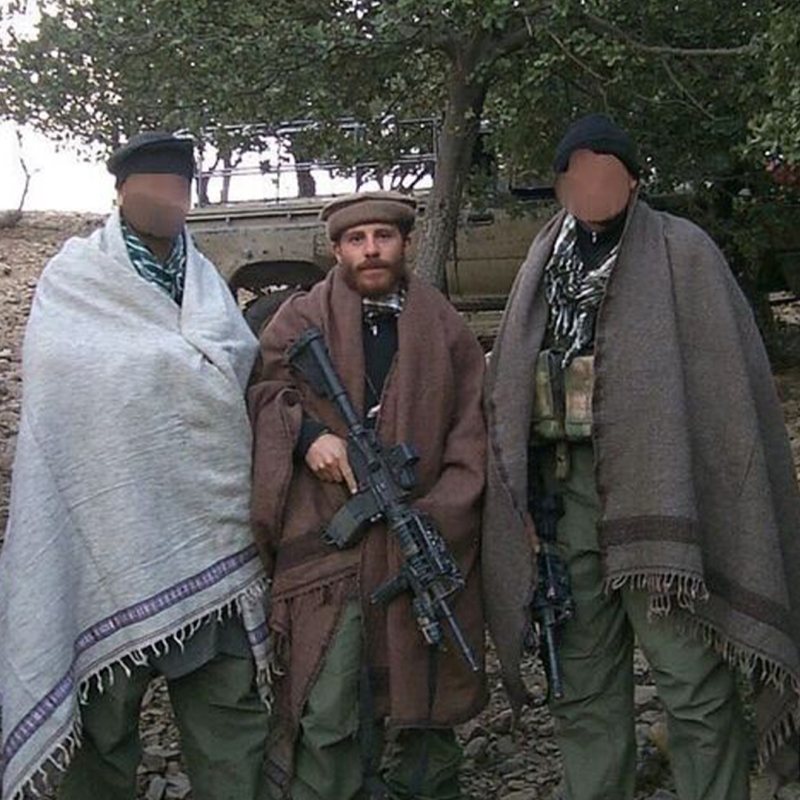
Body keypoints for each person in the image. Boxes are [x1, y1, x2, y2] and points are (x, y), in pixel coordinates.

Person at [482, 114, 800, 800]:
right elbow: (509, 378)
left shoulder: (684, 252)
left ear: (633, 179)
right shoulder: (544, 258)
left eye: (607, 172)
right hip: (562, 495)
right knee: (583, 687)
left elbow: (726, 396)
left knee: (692, 684)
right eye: (577, 174)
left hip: (663, 500)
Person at [0, 132, 272, 800]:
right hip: (107, 541)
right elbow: (64, 386)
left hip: (208, 537)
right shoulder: (76, 278)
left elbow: (232, 370)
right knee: (102, 731)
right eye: (152, 188)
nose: (167, 200)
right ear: (120, 193)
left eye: (179, 189)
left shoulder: (204, 282)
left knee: (230, 721)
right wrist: (173, 371)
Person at [249, 190, 487, 800]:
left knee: (426, 701)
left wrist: (437, 516)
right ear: (336, 251)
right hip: (330, 547)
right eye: (356, 240)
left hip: (421, 538)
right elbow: (264, 393)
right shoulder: (300, 320)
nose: (371, 250)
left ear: (405, 243)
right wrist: (309, 437)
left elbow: (471, 432)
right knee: (328, 704)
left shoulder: (443, 327)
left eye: (383, 236)